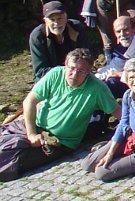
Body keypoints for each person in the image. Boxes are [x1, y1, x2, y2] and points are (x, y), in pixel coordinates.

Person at [0, 49, 117, 181]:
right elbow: (29, 101)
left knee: (9, 160)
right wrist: (31, 133)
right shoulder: (55, 74)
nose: (74, 74)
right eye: (71, 68)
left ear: (89, 72)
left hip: (57, 142)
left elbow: (119, 113)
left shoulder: (97, 88)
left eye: (81, 71)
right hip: (34, 128)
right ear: (65, 65)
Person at [29, 1, 93, 81]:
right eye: (52, 20)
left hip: (77, 74)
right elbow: (40, 71)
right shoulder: (37, 36)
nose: (56, 23)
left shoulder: (77, 28)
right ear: (45, 21)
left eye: (60, 18)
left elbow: (87, 57)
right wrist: (67, 72)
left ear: (66, 18)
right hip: (50, 79)